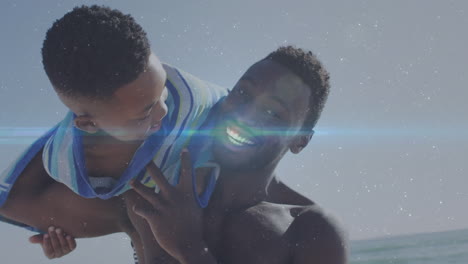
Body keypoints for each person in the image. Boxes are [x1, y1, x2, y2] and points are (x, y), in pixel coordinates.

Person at [0, 4, 225, 254]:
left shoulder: (186, 95)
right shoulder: (65, 163)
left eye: (162, 90)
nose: (163, 111)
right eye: (144, 114)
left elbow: (231, 108)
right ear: (89, 125)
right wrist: (57, 227)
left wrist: (206, 164)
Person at [127, 46, 347, 263]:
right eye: (243, 93)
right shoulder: (154, 192)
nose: (245, 116)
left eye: (272, 113)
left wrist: (189, 247)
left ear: (300, 140)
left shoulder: (310, 230)